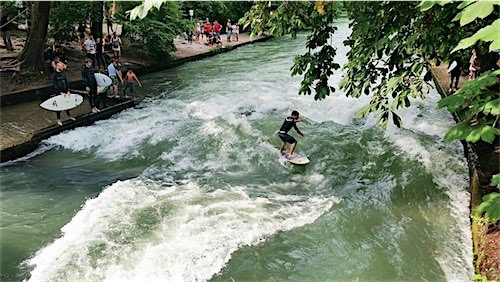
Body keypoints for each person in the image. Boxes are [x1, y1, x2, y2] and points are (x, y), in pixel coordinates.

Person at [51, 62, 76, 126]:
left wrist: (68, 90)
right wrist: (60, 92)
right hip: (59, 92)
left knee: (67, 103)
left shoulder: (63, 74)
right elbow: (55, 85)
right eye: (61, 66)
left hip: (65, 91)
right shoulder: (54, 75)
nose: (62, 68)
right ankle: (58, 119)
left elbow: (66, 82)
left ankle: (69, 116)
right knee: (59, 106)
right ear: (57, 66)